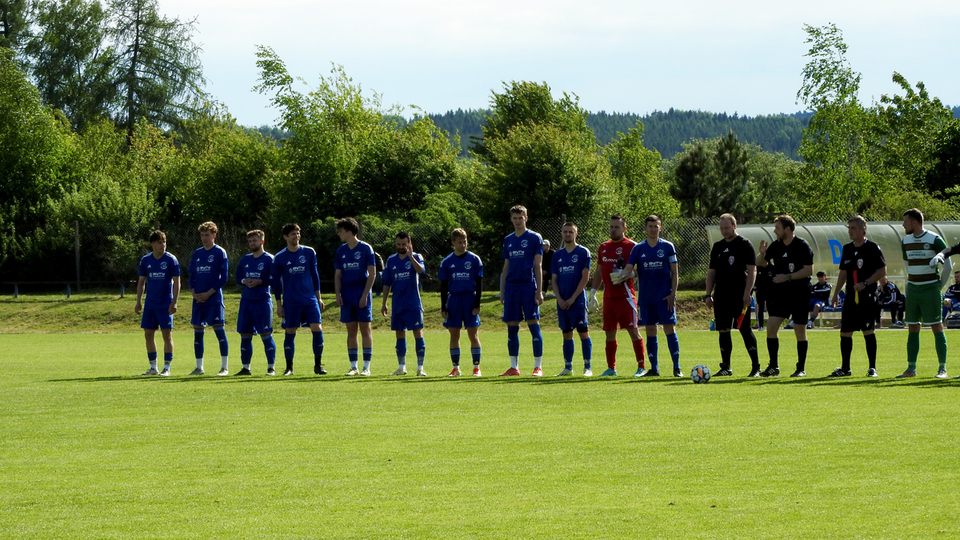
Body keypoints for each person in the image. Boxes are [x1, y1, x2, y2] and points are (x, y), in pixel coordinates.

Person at [619, 215, 682, 377]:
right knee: (650, 330)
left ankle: (676, 368)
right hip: (646, 298)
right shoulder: (638, 249)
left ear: (660, 228)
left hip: (665, 297)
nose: (653, 229)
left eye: (656, 226)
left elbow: (675, 273)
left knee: (669, 328)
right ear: (645, 228)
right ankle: (654, 368)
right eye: (650, 226)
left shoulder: (667, 246)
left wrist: (673, 294)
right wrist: (621, 275)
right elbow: (629, 268)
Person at [827, 216, 886, 377]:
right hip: (851, 296)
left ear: (862, 229)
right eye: (849, 228)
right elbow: (843, 273)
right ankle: (845, 368)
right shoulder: (847, 248)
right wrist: (836, 293)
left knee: (868, 330)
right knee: (845, 331)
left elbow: (882, 271)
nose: (850, 231)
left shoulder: (872, 247)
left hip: (867, 295)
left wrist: (865, 283)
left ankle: (872, 368)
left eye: (853, 228)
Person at [588, 215, 647, 377]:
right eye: (611, 227)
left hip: (625, 296)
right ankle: (611, 368)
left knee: (633, 331)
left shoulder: (632, 246)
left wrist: (629, 274)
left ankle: (641, 366)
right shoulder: (603, 247)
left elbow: (643, 269)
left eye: (617, 227)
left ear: (624, 229)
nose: (613, 230)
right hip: (609, 297)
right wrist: (593, 292)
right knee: (609, 332)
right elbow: (599, 271)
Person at [756, 214, 814, 377]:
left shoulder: (802, 245)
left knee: (799, 330)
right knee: (771, 326)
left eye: (777, 228)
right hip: (780, 293)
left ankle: (800, 368)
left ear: (787, 229)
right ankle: (773, 366)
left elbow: (809, 270)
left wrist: (788, 277)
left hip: (800, 292)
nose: (775, 231)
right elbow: (760, 262)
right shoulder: (776, 246)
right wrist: (762, 253)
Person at [704, 214, 761, 377]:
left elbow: (752, 271)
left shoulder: (744, 244)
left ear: (734, 226)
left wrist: (747, 293)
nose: (724, 231)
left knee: (744, 329)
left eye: (727, 228)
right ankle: (726, 367)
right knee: (723, 330)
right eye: (721, 228)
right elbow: (711, 272)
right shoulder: (718, 246)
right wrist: (708, 294)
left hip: (739, 295)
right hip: (721, 295)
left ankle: (756, 367)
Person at [900, 208, 949, 378]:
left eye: (905, 221)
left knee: (936, 325)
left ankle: (942, 369)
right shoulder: (905, 241)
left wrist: (939, 286)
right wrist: (910, 282)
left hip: (930, 288)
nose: (903, 225)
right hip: (913, 288)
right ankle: (911, 369)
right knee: (913, 326)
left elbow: (948, 265)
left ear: (914, 222)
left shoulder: (934, 239)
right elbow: (907, 264)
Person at [271, 223, 326, 376]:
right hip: (291, 301)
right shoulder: (279, 257)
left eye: (298, 233)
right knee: (290, 331)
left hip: (309, 299)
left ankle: (318, 365)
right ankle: (289, 367)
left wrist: (319, 297)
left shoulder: (309, 252)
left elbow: (315, 275)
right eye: (293, 234)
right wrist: (279, 305)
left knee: (317, 328)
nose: (297, 236)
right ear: (285, 237)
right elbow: (276, 283)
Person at [499, 205, 545, 376]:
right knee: (512, 326)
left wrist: (539, 290)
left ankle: (538, 367)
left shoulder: (534, 238)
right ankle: (514, 367)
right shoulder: (508, 240)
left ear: (526, 218)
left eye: (521, 217)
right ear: (511, 219)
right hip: (512, 287)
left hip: (528, 286)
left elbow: (538, 265)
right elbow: (506, 266)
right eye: (515, 218)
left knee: (533, 324)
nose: (518, 221)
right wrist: (502, 290)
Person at [335, 217, 377, 376]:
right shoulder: (341, 251)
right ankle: (354, 366)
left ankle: (366, 367)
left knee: (365, 329)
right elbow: (338, 275)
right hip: (347, 294)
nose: (339, 234)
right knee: (351, 330)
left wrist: (365, 295)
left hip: (361, 291)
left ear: (349, 232)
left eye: (340, 231)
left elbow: (372, 274)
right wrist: (338, 294)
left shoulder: (366, 249)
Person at [438, 228, 484, 377]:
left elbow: (479, 283)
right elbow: (443, 286)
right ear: (453, 243)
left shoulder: (474, 259)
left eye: (465, 242)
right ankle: (455, 368)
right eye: (459, 242)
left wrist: (477, 304)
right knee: (454, 334)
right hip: (454, 300)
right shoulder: (447, 262)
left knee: (473, 334)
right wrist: (443, 307)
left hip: (470, 298)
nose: (463, 245)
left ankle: (476, 367)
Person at [381, 231, 427, 376]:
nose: (401, 247)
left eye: (404, 244)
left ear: (409, 244)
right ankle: (401, 367)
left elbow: (421, 271)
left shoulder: (417, 257)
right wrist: (384, 302)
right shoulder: (391, 260)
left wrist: (410, 256)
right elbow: (387, 283)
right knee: (400, 334)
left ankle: (420, 367)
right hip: (398, 303)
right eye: (398, 244)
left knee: (417, 332)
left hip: (413, 303)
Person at [136, 230, 181, 376]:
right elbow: (141, 282)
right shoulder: (146, 260)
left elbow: (177, 282)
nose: (163, 245)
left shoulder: (171, 260)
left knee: (166, 335)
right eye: (159, 242)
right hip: (150, 304)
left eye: (164, 242)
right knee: (148, 334)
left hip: (165, 303)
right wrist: (138, 301)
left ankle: (167, 368)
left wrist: (174, 302)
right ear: (152, 244)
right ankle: (153, 367)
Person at [550, 222, 593, 376]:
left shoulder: (583, 252)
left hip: (578, 300)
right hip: (562, 300)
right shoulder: (557, 255)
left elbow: (585, 277)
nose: (568, 234)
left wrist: (573, 298)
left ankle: (587, 367)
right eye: (565, 231)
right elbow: (553, 280)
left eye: (571, 231)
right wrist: (559, 299)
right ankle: (568, 367)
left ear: (576, 233)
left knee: (583, 332)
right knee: (566, 333)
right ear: (561, 233)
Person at [188, 221, 230, 376]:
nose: (204, 238)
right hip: (198, 299)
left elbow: (223, 277)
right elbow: (191, 276)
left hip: (213, 299)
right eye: (202, 235)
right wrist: (193, 292)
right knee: (198, 332)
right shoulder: (197, 254)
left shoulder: (220, 252)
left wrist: (208, 293)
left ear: (214, 235)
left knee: (219, 331)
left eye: (207, 235)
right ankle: (199, 367)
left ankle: (224, 367)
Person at [234, 230, 277, 375]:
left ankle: (271, 367)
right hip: (246, 301)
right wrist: (244, 281)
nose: (252, 243)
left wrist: (260, 282)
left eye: (255, 240)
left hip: (262, 301)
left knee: (266, 334)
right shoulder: (245, 260)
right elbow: (237, 277)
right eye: (250, 241)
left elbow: (275, 279)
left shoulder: (269, 259)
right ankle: (246, 368)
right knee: (245, 334)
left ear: (262, 241)